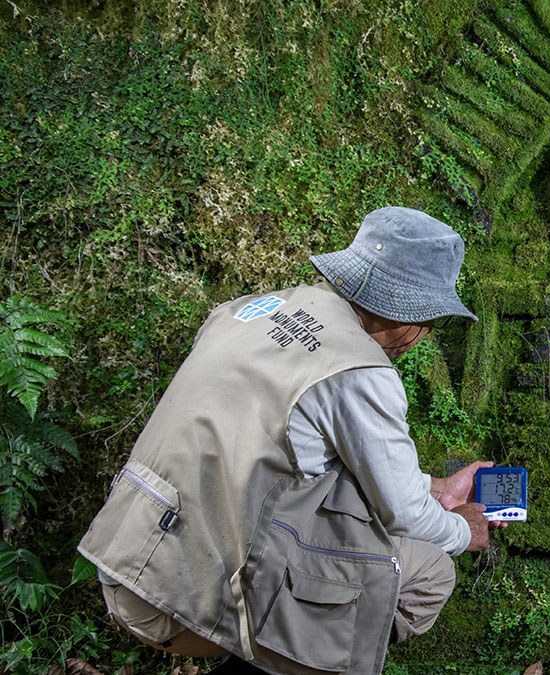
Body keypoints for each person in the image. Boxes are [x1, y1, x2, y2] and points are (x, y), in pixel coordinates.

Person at [78, 207, 500, 675]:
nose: (422, 337)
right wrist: (464, 531)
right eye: (431, 323)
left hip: (125, 559)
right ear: (408, 315)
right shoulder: (359, 370)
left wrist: (435, 491)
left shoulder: (246, 311)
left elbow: (290, 447)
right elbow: (401, 513)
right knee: (429, 572)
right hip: (185, 598)